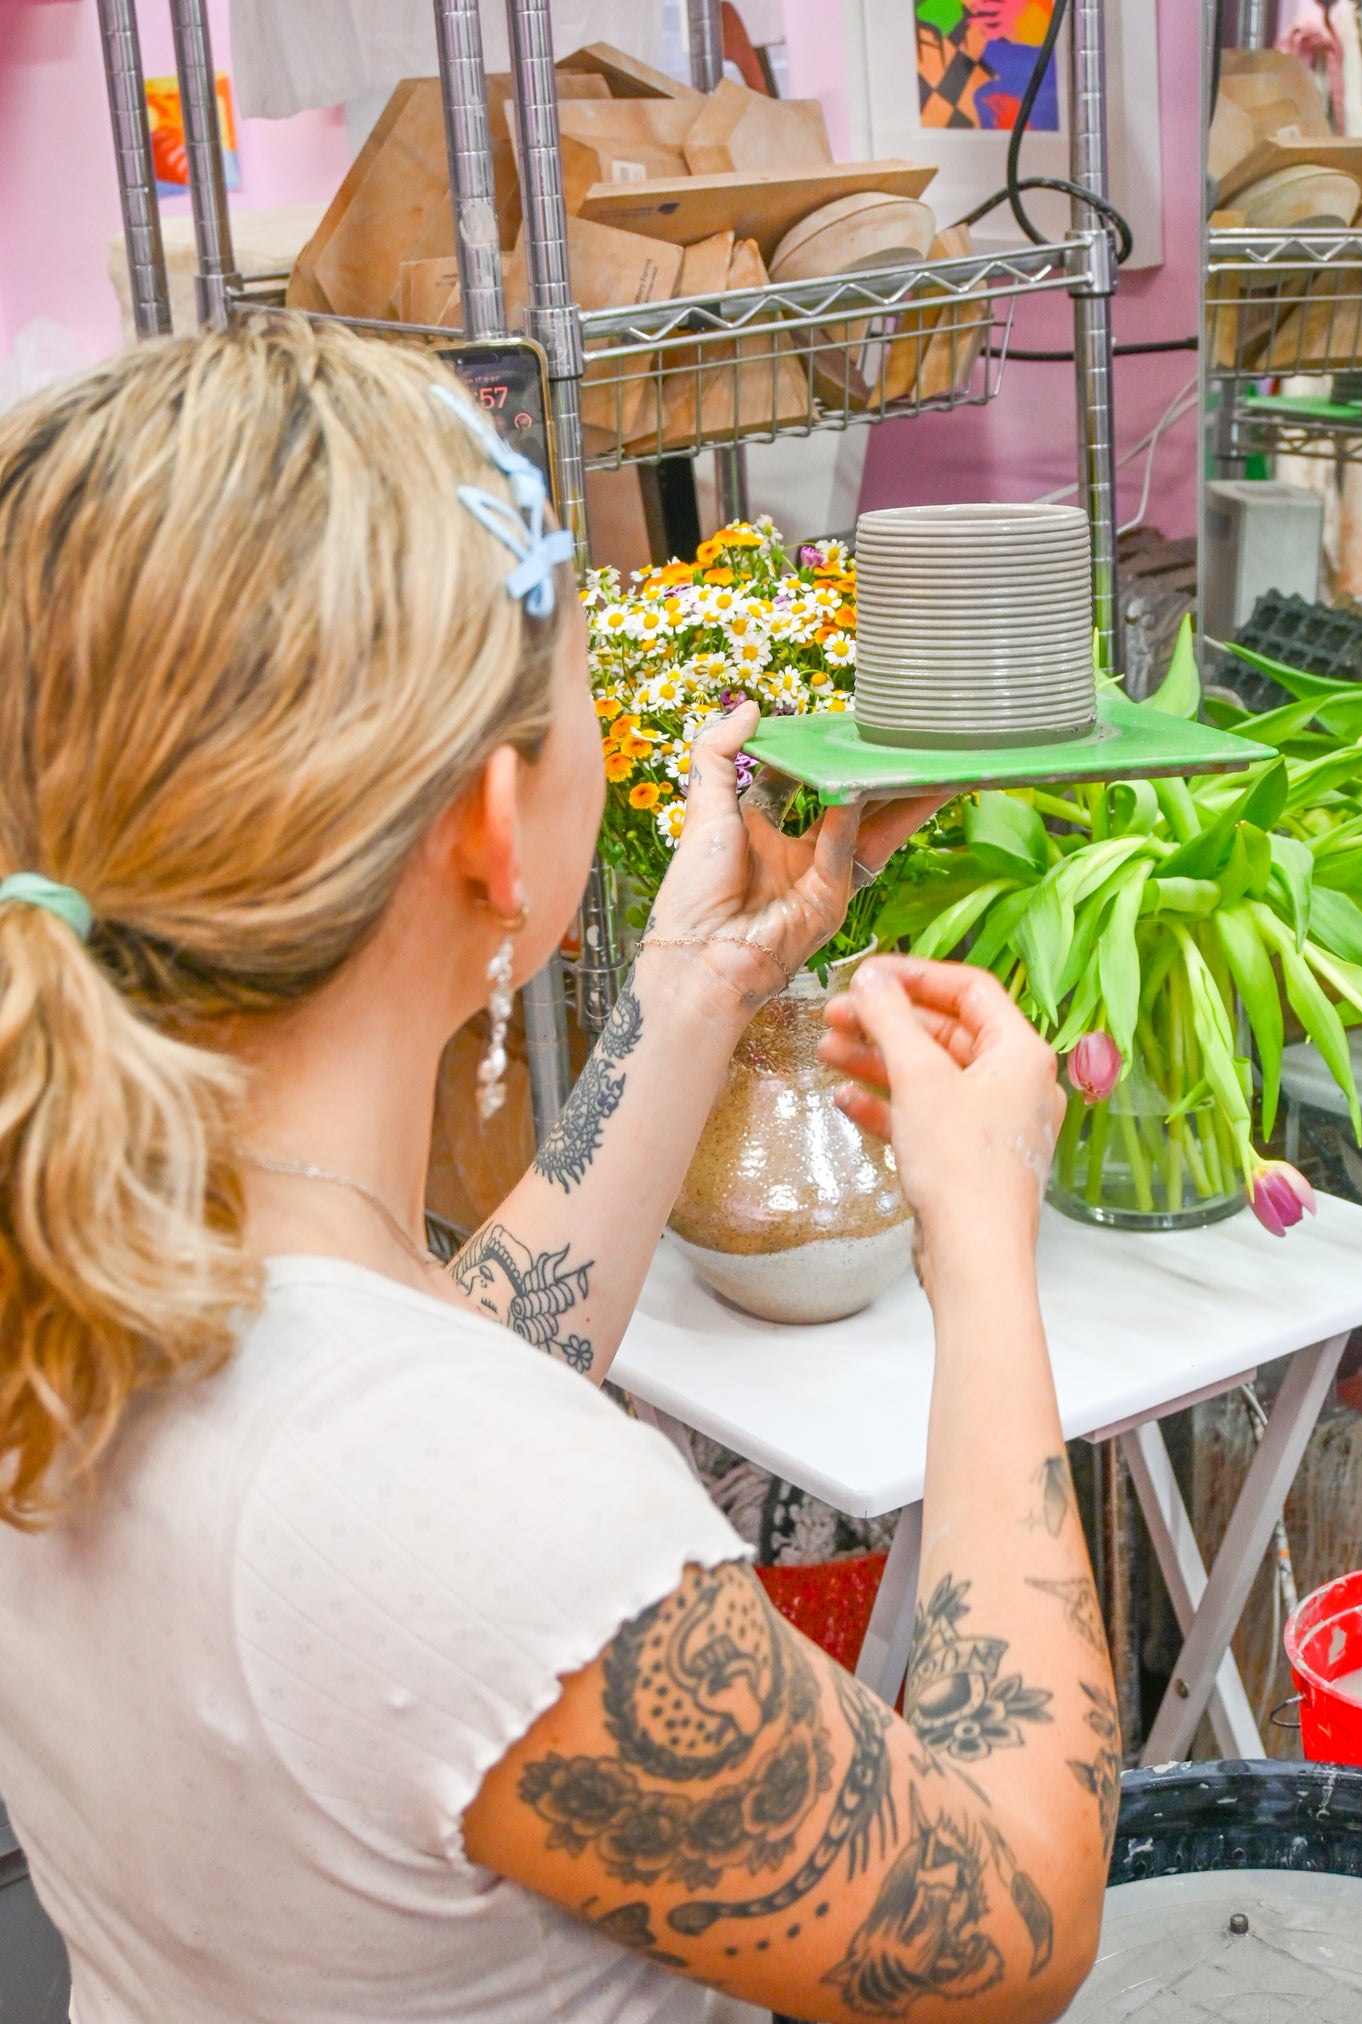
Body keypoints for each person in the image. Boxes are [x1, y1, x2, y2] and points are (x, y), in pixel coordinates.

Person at [0, 316, 1115, 2024]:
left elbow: (412, 1394)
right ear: (491, 826)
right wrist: (980, 1240)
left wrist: (687, 992)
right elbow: (1011, 1916)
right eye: (585, 694)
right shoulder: (496, 1523)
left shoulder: (77, 1246)